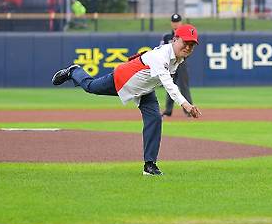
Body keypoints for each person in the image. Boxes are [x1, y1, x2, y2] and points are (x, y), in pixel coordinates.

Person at [51, 24, 202, 176]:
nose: (188, 47)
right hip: (124, 78)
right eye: (185, 42)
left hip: (144, 89)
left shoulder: (177, 58)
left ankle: (150, 165)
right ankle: (74, 71)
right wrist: (186, 105)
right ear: (175, 39)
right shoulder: (162, 56)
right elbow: (169, 85)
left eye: (192, 45)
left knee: (155, 118)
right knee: (91, 86)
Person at [161, 14, 193, 118]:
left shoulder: (185, 36)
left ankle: (188, 111)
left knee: (184, 87)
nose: (175, 24)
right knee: (170, 85)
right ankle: (168, 111)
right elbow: (162, 49)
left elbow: (189, 49)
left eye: (177, 22)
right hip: (170, 64)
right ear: (171, 23)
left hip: (181, 63)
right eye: (174, 22)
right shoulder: (167, 37)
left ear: (181, 23)